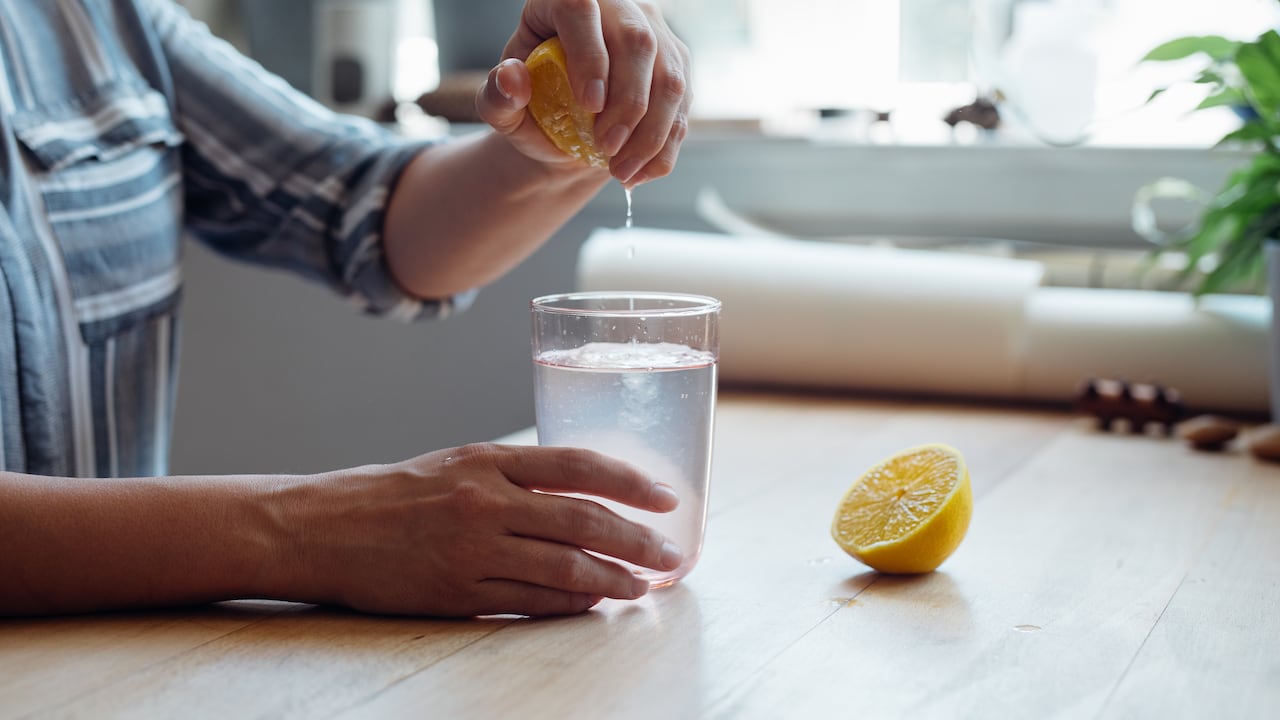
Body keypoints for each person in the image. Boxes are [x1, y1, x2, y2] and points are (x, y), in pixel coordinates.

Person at [0, 0, 692, 618]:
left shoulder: (95, 18)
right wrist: (307, 532)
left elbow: (368, 210)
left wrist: (566, 135)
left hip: (108, 672)